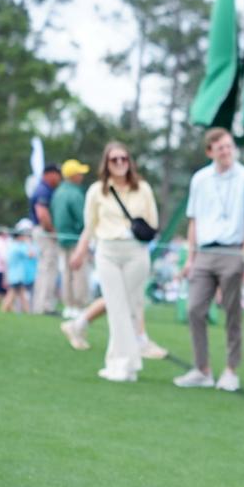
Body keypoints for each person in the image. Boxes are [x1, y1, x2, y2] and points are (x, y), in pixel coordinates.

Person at [172, 129, 244, 392]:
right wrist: (190, 257)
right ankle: (202, 369)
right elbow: (194, 220)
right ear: (210, 151)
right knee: (194, 309)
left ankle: (231, 370)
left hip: (233, 250)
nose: (226, 151)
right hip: (205, 252)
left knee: (233, 313)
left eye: (229, 146)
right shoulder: (200, 179)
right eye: (220, 148)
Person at [69, 142, 158, 382]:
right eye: (114, 159)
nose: (119, 163)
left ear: (129, 162)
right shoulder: (97, 191)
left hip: (135, 252)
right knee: (116, 306)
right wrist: (79, 251)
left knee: (130, 306)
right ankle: (122, 364)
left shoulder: (144, 189)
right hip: (107, 250)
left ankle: (123, 364)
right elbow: (90, 225)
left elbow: (153, 221)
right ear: (106, 164)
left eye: (123, 159)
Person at [51, 159, 92, 315]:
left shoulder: (58, 192)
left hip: (61, 239)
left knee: (67, 273)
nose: (81, 176)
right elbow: (84, 219)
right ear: (74, 175)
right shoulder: (75, 193)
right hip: (76, 239)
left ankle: (69, 306)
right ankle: (79, 305)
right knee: (79, 273)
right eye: (79, 173)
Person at [29, 163, 62, 315]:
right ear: (50, 174)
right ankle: (44, 306)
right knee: (48, 268)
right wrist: (52, 231)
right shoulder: (44, 189)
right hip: (44, 232)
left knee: (46, 268)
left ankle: (42, 305)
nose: (59, 178)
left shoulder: (44, 188)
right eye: (58, 174)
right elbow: (42, 214)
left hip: (42, 231)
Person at [5, 220, 37, 313]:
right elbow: (31, 254)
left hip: (14, 275)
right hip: (17, 276)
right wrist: (28, 243)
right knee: (11, 296)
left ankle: (28, 313)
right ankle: (4, 310)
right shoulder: (18, 247)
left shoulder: (12, 245)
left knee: (21, 295)